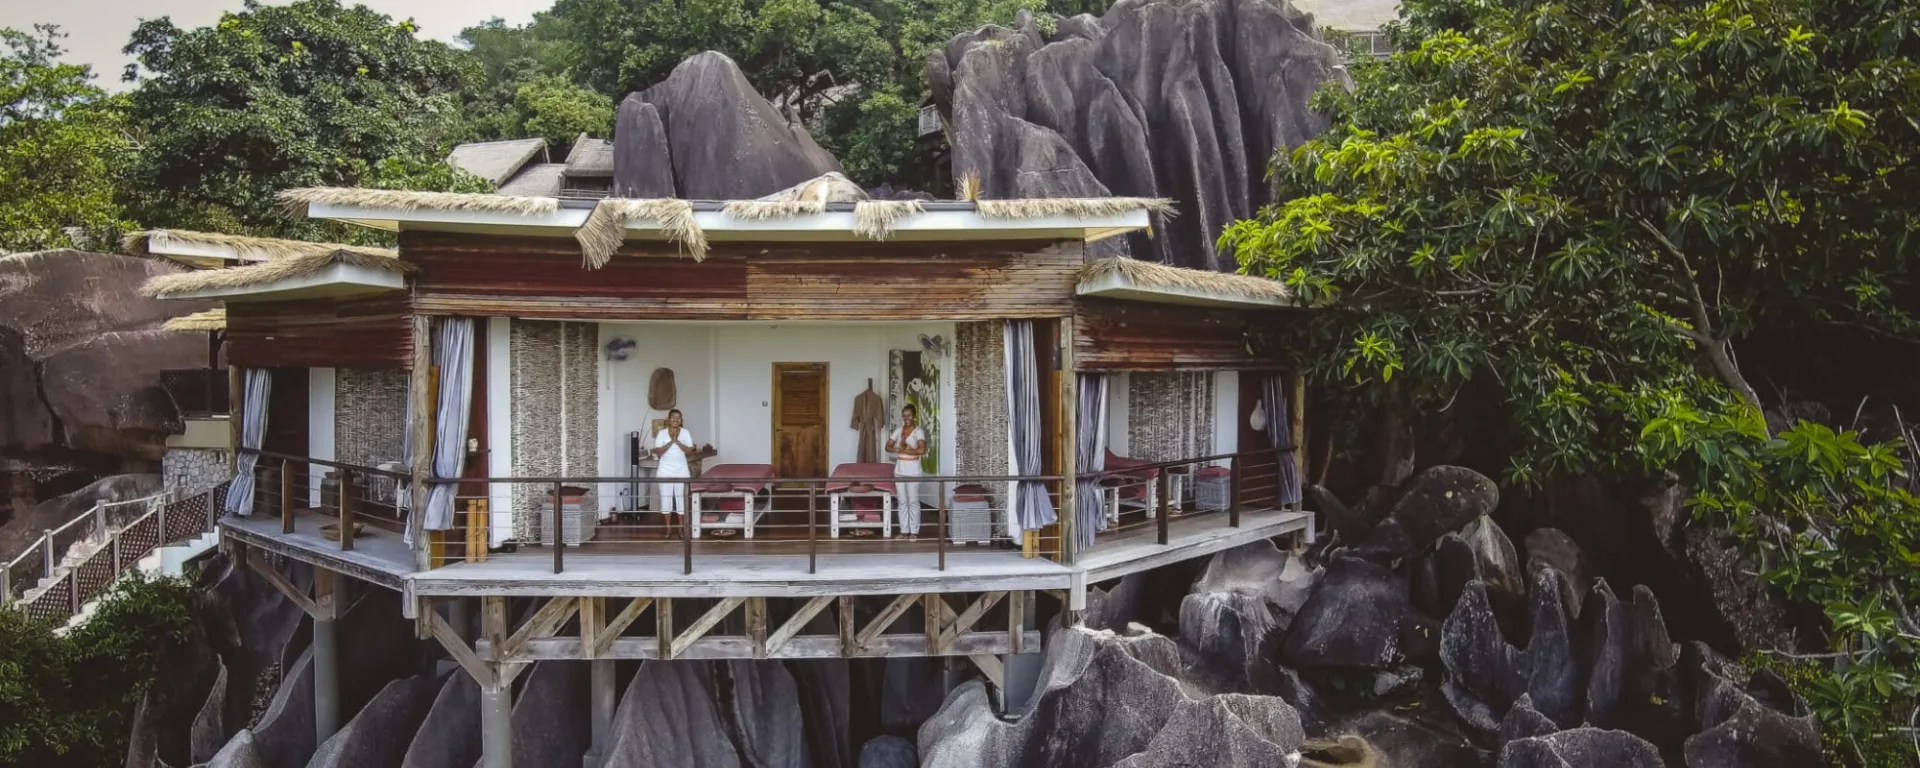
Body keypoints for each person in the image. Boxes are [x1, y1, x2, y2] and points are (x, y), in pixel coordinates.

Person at [885, 404, 928, 538]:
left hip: (913, 470)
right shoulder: (898, 431)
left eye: (909, 415)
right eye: (904, 415)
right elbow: (887, 446)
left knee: (913, 501)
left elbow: (922, 450)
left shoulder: (918, 431)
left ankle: (914, 532)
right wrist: (900, 450)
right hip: (899, 470)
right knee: (902, 501)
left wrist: (907, 451)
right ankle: (904, 531)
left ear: (914, 416)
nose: (906, 418)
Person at [652, 409, 694, 538]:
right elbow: (657, 452)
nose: (676, 420)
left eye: (679, 418)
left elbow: (690, 451)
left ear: (681, 420)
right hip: (665, 471)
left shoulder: (686, 433)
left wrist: (678, 441)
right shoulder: (662, 433)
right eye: (673, 417)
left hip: (681, 470)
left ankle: (681, 529)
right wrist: (670, 442)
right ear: (668, 419)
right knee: (666, 499)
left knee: (681, 499)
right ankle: (668, 529)